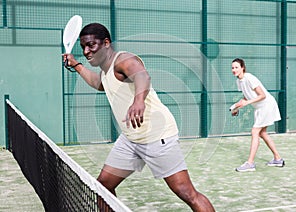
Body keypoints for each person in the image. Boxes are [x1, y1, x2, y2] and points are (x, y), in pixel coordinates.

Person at [63, 23, 215, 211]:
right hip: (130, 139)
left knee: (187, 193)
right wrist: (76, 65)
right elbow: (100, 83)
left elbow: (142, 76)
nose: (86, 51)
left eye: (91, 45)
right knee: (103, 187)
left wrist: (138, 100)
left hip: (157, 137)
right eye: (83, 47)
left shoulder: (124, 60)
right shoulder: (106, 69)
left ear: (106, 43)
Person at [231, 58, 285, 172]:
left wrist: (246, 103)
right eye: (232, 68)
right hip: (259, 107)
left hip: (266, 105)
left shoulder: (249, 78)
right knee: (262, 133)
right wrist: (237, 107)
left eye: (236, 67)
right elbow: (247, 96)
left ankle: (250, 163)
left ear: (242, 68)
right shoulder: (239, 81)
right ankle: (278, 159)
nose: (234, 70)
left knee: (255, 131)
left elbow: (262, 95)